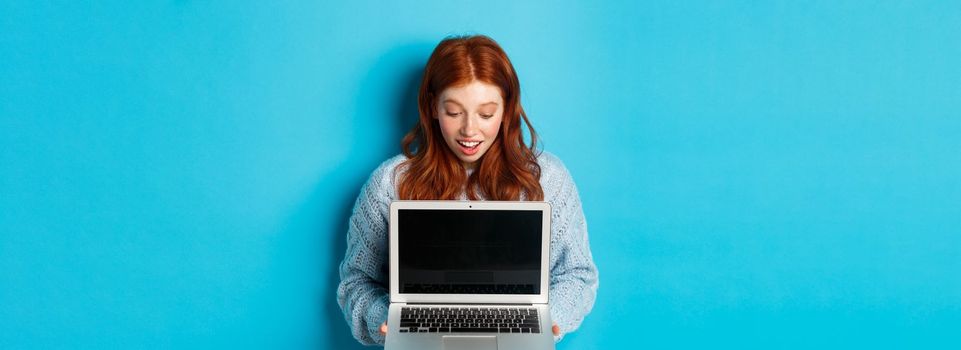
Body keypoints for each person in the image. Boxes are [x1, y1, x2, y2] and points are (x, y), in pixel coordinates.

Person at [336, 34, 598, 346]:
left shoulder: (546, 178)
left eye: (486, 114)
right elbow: (357, 281)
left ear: (507, 109)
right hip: (423, 334)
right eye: (454, 112)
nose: (470, 130)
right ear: (433, 107)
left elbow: (578, 274)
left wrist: (546, 319)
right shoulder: (390, 182)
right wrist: (385, 319)